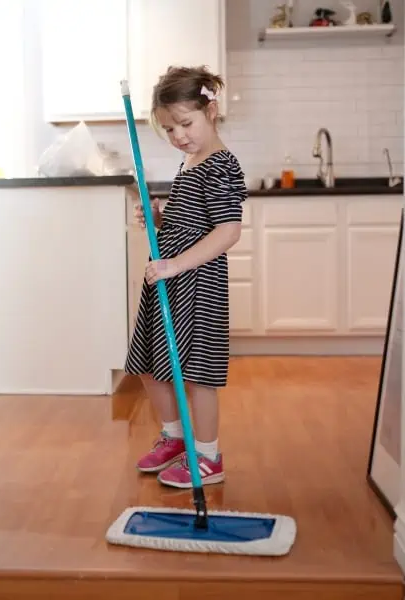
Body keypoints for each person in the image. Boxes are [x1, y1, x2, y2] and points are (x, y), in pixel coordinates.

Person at [125, 65, 246, 489]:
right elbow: (190, 221)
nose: (179, 136)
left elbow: (228, 231)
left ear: (210, 110)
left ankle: (209, 456)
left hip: (197, 285)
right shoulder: (191, 161)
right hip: (168, 282)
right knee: (148, 365)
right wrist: (158, 217)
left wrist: (175, 264)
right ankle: (175, 438)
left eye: (185, 123)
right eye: (169, 129)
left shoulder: (220, 165)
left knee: (196, 375)